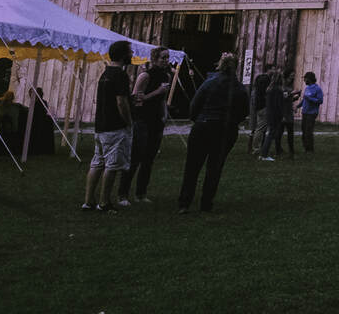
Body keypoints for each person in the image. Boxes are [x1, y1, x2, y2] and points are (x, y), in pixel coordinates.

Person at [177, 53, 249, 214]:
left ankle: (184, 202)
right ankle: (206, 203)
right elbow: (244, 111)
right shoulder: (239, 88)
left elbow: (194, 105)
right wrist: (231, 122)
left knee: (192, 167)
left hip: (203, 125)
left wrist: (198, 119)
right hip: (225, 129)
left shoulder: (209, 83)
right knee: (214, 168)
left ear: (220, 65)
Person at [83, 39, 134, 212]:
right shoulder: (120, 75)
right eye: (130, 52)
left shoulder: (105, 74)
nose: (132, 54)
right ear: (123, 55)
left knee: (97, 163)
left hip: (101, 126)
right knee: (112, 166)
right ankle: (104, 202)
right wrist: (128, 121)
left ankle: (88, 201)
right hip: (115, 127)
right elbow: (121, 101)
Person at [117, 46, 173, 203]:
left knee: (149, 159)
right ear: (154, 59)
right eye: (163, 57)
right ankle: (123, 194)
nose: (166, 60)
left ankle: (141, 193)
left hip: (156, 120)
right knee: (135, 157)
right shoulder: (145, 76)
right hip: (142, 119)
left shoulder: (166, 76)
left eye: (167, 57)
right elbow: (136, 100)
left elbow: (162, 99)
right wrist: (157, 92)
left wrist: (164, 114)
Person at [261, 68, 293, 160]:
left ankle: (263, 153)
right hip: (275, 115)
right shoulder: (278, 90)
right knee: (271, 134)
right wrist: (282, 115)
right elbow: (279, 104)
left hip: (269, 113)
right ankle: (264, 154)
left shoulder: (269, 89)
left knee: (270, 133)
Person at [298, 71, 325, 153]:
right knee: (304, 131)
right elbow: (304, 100)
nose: (304, 80)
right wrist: (298, 106)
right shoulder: (307, 88)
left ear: (309, 79)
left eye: (305, 79)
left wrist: (310, 99)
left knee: (308, 131)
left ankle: (310, 149)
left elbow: (320, 101)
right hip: (305, 112)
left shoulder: (317, 89)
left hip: (312, 113)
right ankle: (306, 148)